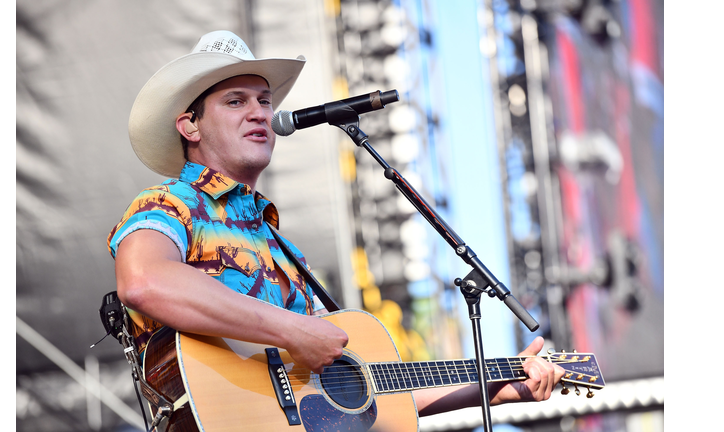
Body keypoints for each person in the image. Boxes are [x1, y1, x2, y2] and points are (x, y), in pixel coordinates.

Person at [107, 30, 564, 421]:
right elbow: (144, 281)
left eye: (265, 101)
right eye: (235, 101)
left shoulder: (281, 248)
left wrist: (490, 387)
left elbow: (356, 386)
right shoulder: (169, 203)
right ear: (190, 125)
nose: (260, 113)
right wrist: (292, 331)